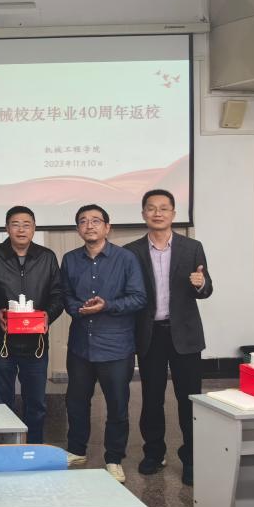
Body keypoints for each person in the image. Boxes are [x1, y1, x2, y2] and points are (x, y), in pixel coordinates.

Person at [126, 189, 213, 486]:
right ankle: (154, 453)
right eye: (151, 208)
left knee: (189, 399)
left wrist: (200, 284)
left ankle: (191, 459)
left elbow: (206, 288)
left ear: (174, 214)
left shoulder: (192, 247)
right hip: (150, 334)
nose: (158, 213)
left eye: (164, 208)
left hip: (185, 335)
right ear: (143, 214)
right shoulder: (132, 251)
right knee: (151, 399)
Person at [60, 205, 147, 483]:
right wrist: (77, 308)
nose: (90, 225)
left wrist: (106, 305)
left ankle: (114, 458)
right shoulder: (70, 259)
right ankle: (76, 450)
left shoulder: (126, 259)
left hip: (116, 346)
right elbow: (65, 295)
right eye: (83, 221)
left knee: (117, 405)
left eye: (96, 221)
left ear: (107, 227)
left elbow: (138, 298)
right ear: (78, 229)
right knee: (76, 402)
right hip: (81, 346)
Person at [0, 206, 63, 443]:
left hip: (36, 344)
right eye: (16, 224)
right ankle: (5, 448)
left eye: (27, 224)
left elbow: (58, 295)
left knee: (36, 403)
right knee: (2, 403)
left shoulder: (47, 257)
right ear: (7, 228)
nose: (21, 229)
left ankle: (33, 447)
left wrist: (47, 315)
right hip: (1, 343)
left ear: (34, 228)